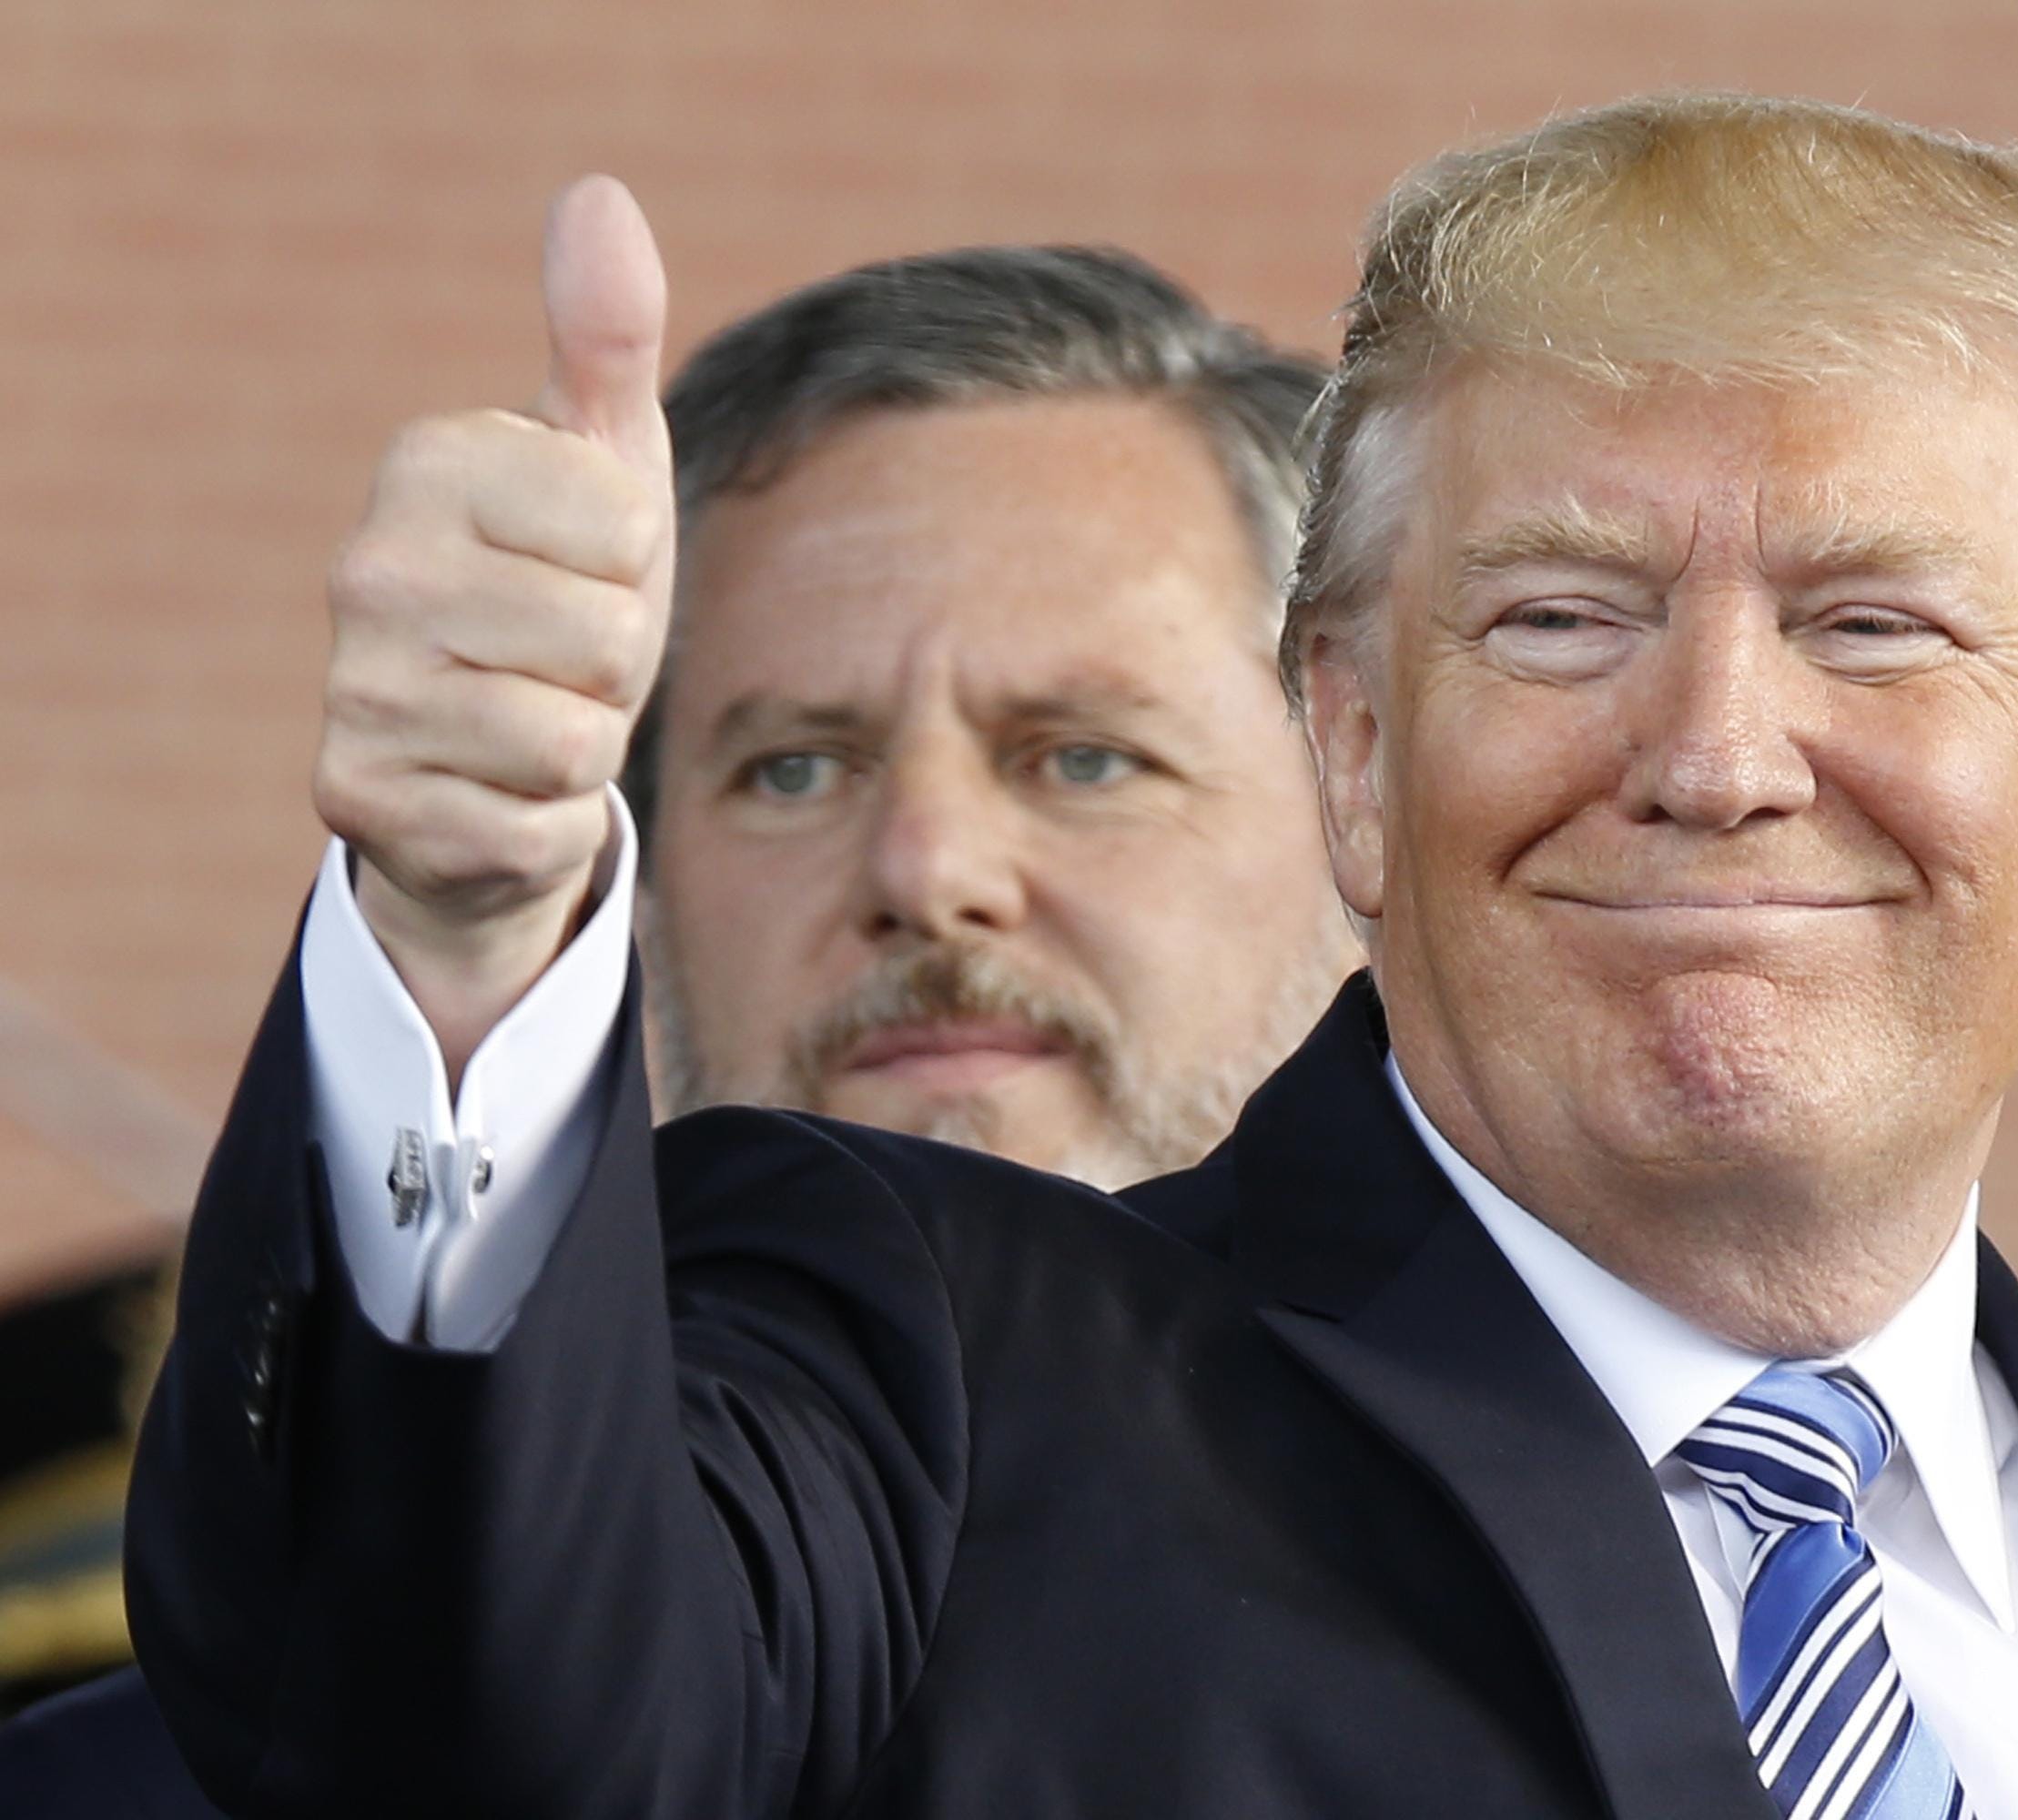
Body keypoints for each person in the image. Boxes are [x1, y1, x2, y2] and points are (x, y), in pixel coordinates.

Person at [126, 92, 2018, 1819]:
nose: (1715, 750)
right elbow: (474, 1711)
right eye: (1561, 614)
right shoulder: (935, 1380)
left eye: (1876, 622)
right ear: (1357, 763)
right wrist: (462, 937)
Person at [1, 241, 1354, 1810]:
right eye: (791, 769)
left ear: (1366, 818)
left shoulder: (1667, 1611)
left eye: (1081, 759)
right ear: (641, 889)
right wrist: (460, 934)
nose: (925, 870)